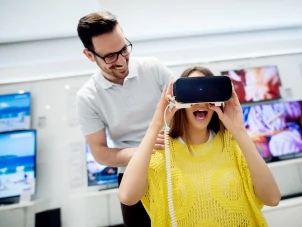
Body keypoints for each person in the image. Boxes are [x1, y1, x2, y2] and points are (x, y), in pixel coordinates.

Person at [118, 66, 281, 227]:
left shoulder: (234, 145)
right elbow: (127, 196)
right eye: (193, 91)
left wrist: (239, 131)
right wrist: (156, 124)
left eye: (207, 91)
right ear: (178, 99)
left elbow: (272, 198)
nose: (201, 99)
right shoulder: (161, 152)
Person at [76, 11, 172, 227]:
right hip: (132, 174)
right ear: (89, 55)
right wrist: (144, 151)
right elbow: (100, 153)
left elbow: (184, 108)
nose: (121, 60)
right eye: (110, 56)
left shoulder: (153, 68)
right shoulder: (88, 97)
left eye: (123, 49)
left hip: (174, 162)